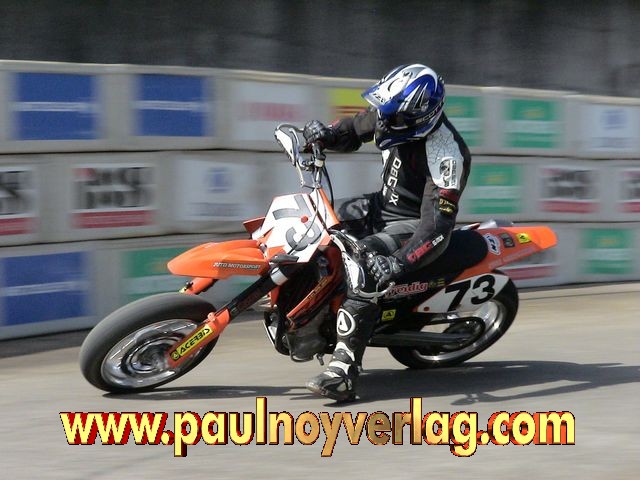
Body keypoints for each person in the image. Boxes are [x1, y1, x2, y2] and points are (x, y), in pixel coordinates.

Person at [303, 64, 472, 401]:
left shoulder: (447, 155)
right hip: (380, 206)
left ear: (419, 117)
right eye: (384, 111)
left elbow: (436, 227)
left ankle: (344, 371)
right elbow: (353, 129)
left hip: (411, 225)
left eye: (392, 116)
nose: (383, 120)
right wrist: (325, 135)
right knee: (314, 219)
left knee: (362, 265)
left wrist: (398, 262)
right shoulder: (392, 116)